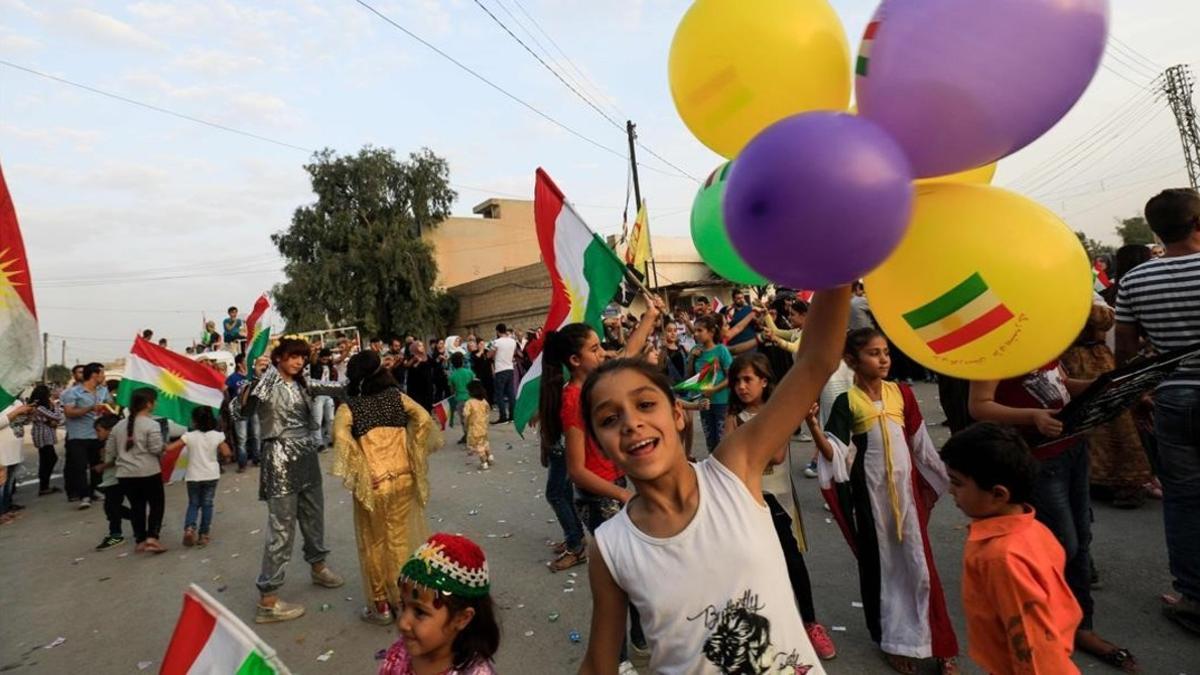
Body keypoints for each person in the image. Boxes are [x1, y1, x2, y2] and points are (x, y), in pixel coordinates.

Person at [578, 288, 849, 675]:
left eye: (645, 404)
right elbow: (598, 664)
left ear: (676, 414)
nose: (631, 422)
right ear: (601, 448)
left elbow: (816, 360)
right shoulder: (611, 548)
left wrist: (840, 264)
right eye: (609, 419)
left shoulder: (733, 470)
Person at [807, 328, 959, 674]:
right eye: (874, 353)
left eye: (886, 352)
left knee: (922, 569)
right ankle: (890, 643)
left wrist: (947, 480)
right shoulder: (848, 402)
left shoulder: (902, 394)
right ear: (851, 361)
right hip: (871, 500)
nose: (884, 358)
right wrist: (814, 426)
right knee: (882, 571)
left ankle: (942, 647)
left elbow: (921, 447)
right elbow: (837, 453)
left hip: (907, 500)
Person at [970, 362, 1136, 670]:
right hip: (1040, 458)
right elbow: (979, 406)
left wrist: (1096, 386)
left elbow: (1058, 382)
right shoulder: (993, 347)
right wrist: (1032, 417)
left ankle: (1081, 626)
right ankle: (1047, 625)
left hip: (1072, 449)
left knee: (1081, 541)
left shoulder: (1043, 337)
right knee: (1062, 545)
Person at [539, 298, 661, 665]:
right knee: (622, 584)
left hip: (617, 488)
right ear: (576, 361)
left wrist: (652, 316)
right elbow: (577, 470)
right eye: (594, 349)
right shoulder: (574, 399)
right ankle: (621, 660)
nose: (603, 353)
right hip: (600, 500)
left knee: (639, 574)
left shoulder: (594, 384)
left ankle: (640, 641)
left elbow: (627, 352)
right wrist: (623, 494)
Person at [1115, 188, 1200, 636]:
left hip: (1173, 398)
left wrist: (1140, 393)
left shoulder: (1135, 280)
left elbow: (1125, 350)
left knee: (1185, 500)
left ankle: (1193, 597)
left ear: (1156, 230)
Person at [941, 423, 1082, 675]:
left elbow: (1033, 645)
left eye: (958, 483)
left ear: (998, 494)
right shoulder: (1033, 529)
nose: (951, 490)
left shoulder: (1001, 558)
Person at [724, 353, 837, 661]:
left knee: (792, 562)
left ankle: (810, 623)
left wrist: (745, 449)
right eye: (737, 381)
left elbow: (774, 457)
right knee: (757, 566)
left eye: (748, 380)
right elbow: (728, 459)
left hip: (779, 501)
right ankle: (770, 627)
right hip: (747, 500)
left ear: (764, 381)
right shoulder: (734, 417)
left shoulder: (777, 414)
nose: (741, 387)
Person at [333, 351, 440, 627]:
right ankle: (404, 599)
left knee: (374, 543)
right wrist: (412, 452)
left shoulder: (349, 407)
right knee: (400, 539)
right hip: (404, 478)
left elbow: (341, 439)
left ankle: (380, 604)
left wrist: (361, 471)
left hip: (375, 484)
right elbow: (424, 420)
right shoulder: (397, 398)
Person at [246, 338, 345, 624]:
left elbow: (335, 387)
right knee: (282, 528)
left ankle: (318, 567)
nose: (298, 362)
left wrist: (369, 381)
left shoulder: (302, 384)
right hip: (278, 457)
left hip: (306, 456)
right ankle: (268, 599)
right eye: (292, 357)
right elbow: (243, 409)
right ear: (279, 358)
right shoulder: (266, 382)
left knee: (314, 516)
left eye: (302, 357)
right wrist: (257, 377)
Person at [1061, 303, 1151, 508]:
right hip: (1068, 360)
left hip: (1097, 360)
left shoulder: (1090, 298)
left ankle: (1125, 482)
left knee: (1116, 421)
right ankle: (1093, 481)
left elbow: (1107, 320)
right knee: (1080, 421)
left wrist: (1082, 303)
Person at [378, 533, 499, 675]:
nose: (403, 623)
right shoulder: (402, 650)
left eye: (419, 612)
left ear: (462, 618)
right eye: (403, 605)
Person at [106, 388, 167, 554]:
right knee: (156, 504)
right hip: (148, 472)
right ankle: (152, 537)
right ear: (148, 403)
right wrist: (163, 448)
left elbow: (110, 451)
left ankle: (140, 540)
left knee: (137, 507)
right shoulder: (151, 424)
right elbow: (156, 449)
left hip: (125, 474)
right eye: (155, 401)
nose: (156, 404)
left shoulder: (118, 426)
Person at [166, 407, 232, 548]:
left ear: (194, 421)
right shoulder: (217, 435)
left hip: (193, 476)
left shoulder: (189, 436)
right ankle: (204, 534)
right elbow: (227, 452)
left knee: (193, 504)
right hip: (211, 475)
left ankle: (189, 528)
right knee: (207, 504)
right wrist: (224, 459)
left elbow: (170, 448)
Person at [62, 362, 109, 508]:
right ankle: (84, 496)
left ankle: (95, 489)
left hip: (98, 435)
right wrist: (90, 408)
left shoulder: (103, 391)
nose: (103, 376)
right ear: (94, 375)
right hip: (78, 436)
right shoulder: (72, 393)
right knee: (80, 467)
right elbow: (69, 412)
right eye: (102, 373)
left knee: (98, 466)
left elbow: (110, 406)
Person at [688, 315, 733, 455]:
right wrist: (692, 358)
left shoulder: (721, 350)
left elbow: (731, 377)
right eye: (694, 331)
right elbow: (690, 377)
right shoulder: (695, 350)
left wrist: (714, 389)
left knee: (723, 441)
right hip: (704, 403)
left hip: (722, 402)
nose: (696, 334)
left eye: (700, 330)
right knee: (710, 441)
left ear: (711, 332)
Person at [92, 415, 129, 550]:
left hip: (116, 479)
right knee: (112, 507)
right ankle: (139, 519)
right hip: (111, 479)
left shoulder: (115, 442)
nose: (97, 434)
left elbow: (119, 458)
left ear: (110, 430)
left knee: (112, 508)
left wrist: (103, 466)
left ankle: (116, 534)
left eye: (99, 430)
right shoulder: (108, 443)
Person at [0, 399, 34, 520]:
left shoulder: (15, 401)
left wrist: (29, 413)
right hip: (2, 449)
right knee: (1, 483)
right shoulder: (2, 399)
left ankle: (5, 508)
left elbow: (23, 421)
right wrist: (17, 412)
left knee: (9, 482)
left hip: (15, 449)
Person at [29, 384, 64, 496]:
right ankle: (44, 486)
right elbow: (57, 417)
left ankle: (45, 486)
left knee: (47, 460)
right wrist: (56, 405)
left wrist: (51, 420)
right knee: (49, 459)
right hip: (43, 436)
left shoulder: (39, 407)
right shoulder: (40, 407)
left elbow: (52, 420)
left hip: (45, 434)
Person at [227, 353, 257, 471]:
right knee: (242, 438)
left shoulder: (252, 375)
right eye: (245, 360)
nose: (248, 362)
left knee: (256, 435)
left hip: (253, 409)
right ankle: (242, 463)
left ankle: (256, 458)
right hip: (240, 411)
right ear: (239, 364)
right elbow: (226, 393)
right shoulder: (232, 378)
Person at [489, 324, 518, 424]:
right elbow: (514, 353)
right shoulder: (512, 341)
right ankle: (512, 415)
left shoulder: (496, 342)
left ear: (497, 331)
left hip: (500, 370)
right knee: (511, 393)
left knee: (499, 394)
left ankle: (503, 416)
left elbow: (490, 355)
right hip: (510, 368)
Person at [309, 348, 338, 449]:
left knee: (331, 418)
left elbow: (338, 360)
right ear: (320, 357)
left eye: (327, 358)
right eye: (324, 358)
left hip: (328, 393)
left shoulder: (329, 364)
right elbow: (312, 360)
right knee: (317, 419)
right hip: (318, 394)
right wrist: (314, 351)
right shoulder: (315, 365)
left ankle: (331, 439)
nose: (326, 360)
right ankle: (318, 443)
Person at [464, 381, 493, 470]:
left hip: (474, 427)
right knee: (485, 442)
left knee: (478, 446)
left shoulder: (469, 402)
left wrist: (466, 423)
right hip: (483, 426)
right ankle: (490, 456)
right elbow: (488, 411)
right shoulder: (484, 401)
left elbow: (466, 414)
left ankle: (483, 463)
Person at [448, 352, 474, 441]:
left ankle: (467, 434)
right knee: (472, 417)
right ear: (462, 362)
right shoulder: (469, 372)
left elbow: (452, 390)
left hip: (460, 399)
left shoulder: (452, 376)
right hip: (471, 398)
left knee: (464, 419)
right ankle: (473, 434)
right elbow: (474, 383)